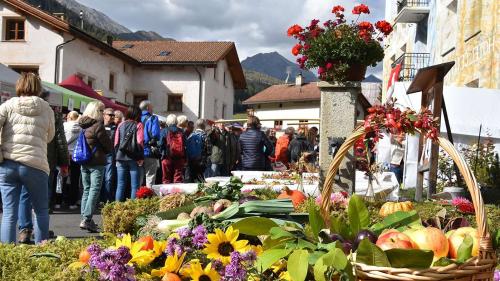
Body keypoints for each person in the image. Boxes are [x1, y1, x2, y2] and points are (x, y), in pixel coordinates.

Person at [0, 73, 55, 244]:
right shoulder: (46, 108)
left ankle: (7, 256)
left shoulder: (7, 105)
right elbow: (50, 135)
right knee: (40, 211)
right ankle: (42, 253)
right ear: (38, 88)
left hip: (9, 162)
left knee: (9, 212)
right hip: (35, 164)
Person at [17, 91, 69, 244]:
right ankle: (41, 233)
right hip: (45, 160)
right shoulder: (51, 113)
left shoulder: (16, 109)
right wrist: (64, 162)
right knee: (42, 198)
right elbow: (59, 139)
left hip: (23, 158)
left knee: (24, 195)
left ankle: (25, 230)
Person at [78, 101, 113, 232]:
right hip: (96, 162)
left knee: (87, 190)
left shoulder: (83, 125)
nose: (104, 114)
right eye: (102, 111)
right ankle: (86, 219)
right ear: (97, 112)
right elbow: (108, 146)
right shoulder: (98, 126)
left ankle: (85, 218)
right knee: (94, 190)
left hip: (84, 161)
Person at [115, 106, 144, 201]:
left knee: (120, 184)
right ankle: (132, 208)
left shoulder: (120, 124)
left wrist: (117, 154)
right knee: (135, 185)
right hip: (133, 157)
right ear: (138, 115)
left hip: (120, 156)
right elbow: (140, 142)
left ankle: (117, 208)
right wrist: (140, 157)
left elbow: (116, 142)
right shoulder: (139, 125)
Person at [140, 100, 161, 187]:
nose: (153, 109)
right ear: (148, 108)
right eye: (152, 107)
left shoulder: (137, 118)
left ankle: (138, 197)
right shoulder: (153, 118)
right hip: (149, 150)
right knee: (150, 176)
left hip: (137, 151)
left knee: (139, 177)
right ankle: (149, 197)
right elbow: (156, 134)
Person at [159, 114, 186, 183]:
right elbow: (185, 145)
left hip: (167, 157)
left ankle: (167, 193)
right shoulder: (181, 131)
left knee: (166, 178)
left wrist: (161, 154)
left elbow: (161, 144)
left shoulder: (164, 131)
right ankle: (177, 193)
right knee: (178, 179)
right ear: (176, 121)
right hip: (179, 157)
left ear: (167, 121)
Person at [63, 111, 81, 210]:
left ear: (69, 117)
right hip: (76, 155)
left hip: (65, 155)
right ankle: (72, 202)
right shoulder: (81, 128)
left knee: (62, 178)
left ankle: (59, 200)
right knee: (75, 179)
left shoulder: (64, 126)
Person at [101, 108, 117, 202]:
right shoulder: (99, 126)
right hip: (99, 154)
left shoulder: (115, 128)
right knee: (100, 178)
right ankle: (100, 199)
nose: (112, 117)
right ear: (104, 115)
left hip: (110, 154)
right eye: (110, 115)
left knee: (108, 178)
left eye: (113, 115)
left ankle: (106, 199)